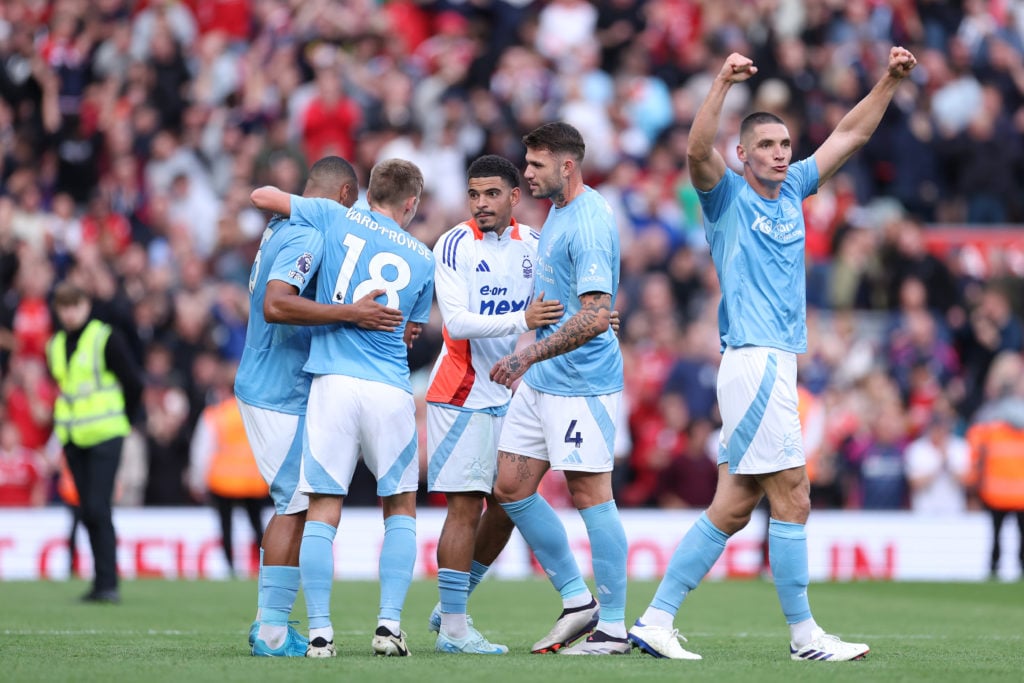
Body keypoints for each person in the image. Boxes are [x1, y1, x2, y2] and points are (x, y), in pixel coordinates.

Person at [628, 47, 917, 662]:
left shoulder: (795, 190)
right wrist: (722, 82)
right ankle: (804, 637)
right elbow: (694, 150)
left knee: (733, 507)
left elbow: (851, 133)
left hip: (773, 363)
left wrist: (888, 81)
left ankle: (656, 619)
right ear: (744, 154)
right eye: (767, 145)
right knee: (794, 494)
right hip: (755, 361)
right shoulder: (726, 197)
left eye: (786, 143)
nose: (782, 152)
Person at [252, 159, 434, 658]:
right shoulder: (424, 256)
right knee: (399, 507)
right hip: (389, 389)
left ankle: (319, 634)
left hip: (331, 384)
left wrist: (300, 205)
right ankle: (389, 627)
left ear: (365, 192)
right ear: (411, 204)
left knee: (322, 509)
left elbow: (264, 196)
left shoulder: (335, 218)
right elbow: (411, 330)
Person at [489, 122, 628, 655]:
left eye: (536, 165)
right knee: (509, 487)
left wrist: (528, 353)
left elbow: (594, 316)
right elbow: (586, 304)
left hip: (580, 384)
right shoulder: (558, 212)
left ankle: (613, 626)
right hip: (544, 380)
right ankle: (577, 601)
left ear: (566, 166)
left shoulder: (589, 220)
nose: (526, 173)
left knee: (591, 495)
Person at [425, 154, 564, 655]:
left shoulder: (535, 243)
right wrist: (519, 321)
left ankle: (451, 606)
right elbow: (457, 323)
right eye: (473, 194)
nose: (481, 204)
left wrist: (599, 318)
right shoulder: (454, 243)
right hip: (461, 392)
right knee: (464, 508)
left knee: (510, 502)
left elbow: (558, 308)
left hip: (513, 395)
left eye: (491, 194)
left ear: (514, 196)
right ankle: (457, 631)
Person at [46, 281, 144, 604]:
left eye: (75, 305)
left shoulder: (104, 337)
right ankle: (101, 581)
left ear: (86, 305)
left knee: (98, 507)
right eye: (64, 307)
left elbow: (133, 381)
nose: (70, 313)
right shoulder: (56, 345)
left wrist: (125, 420)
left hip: (106, 434)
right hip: (74, 438)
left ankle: (108, 583)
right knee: (87, 509)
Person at [188, 365, 269, 579]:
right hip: (253, 480)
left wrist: (197, 481)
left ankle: (231, 568)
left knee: (226, 527)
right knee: (258, 527)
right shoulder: (258, 414)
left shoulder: (215, 414)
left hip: (222, 480)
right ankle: (267, 568)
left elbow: (201, 449)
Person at [965, 352, 1024, 580]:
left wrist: (972, 484)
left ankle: (993, 570)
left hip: (996, 491)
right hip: (1015, 492)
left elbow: (975, 453)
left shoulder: (988, 415)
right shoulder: (992, 416)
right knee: (1014, 537)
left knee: (997, 537)